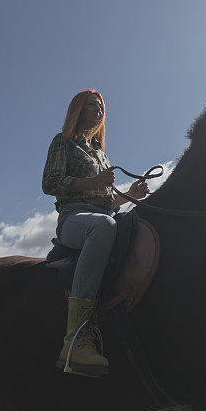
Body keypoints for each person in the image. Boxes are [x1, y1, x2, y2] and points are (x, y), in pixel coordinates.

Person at [42, 89, 148, 378]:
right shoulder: (63, 142)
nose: (99, 110)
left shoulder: (100, 153)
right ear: (78, 109)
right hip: (73, 218)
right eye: (92, 105)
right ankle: (76, 339)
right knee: (104, 226)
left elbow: (105, 201)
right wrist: (94, 180)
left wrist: (129, 195)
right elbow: (50, 182)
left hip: (104, 215)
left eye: (101, 107)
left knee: (136, 223)